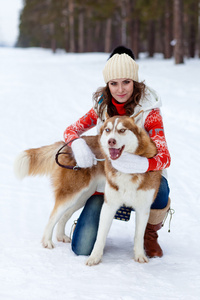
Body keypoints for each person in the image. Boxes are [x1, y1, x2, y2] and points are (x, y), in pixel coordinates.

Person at [63, 46, 171, 258]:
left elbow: (165, 157)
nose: (120, 89)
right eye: (114, 83)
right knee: (82, 248)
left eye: (126, 82)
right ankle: (87, 221)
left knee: (162, 189)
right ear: (108, 84)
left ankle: (149, 233)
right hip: (109, 180)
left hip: (142, 179)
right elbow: (71, 130)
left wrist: (144, 164)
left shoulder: (149, 111)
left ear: (135, 81)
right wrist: (76, 143)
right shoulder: (101, 108)